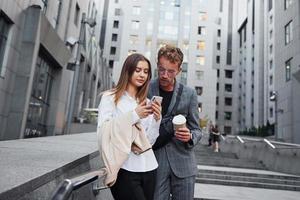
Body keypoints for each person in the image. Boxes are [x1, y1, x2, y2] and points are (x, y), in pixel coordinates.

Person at [97, 53, 162, 200]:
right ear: (128, 70)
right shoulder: (110, 98)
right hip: (124, 168)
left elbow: (149, 142)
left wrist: (157, 120)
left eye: (146, 72)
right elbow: (103, 132)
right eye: (138, 70)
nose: (142, 75)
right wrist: (134, 115)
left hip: (149, 167)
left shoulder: (145, 102)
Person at [148, 45, 202, 200]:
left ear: (179, 70)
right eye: (161, 69)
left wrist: (190, 136)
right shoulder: (147, 88)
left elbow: (197, 129)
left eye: (171, 71)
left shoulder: (189, 94)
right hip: (155, 163)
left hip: (183, 162)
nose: (165, 75)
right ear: (157, 65)